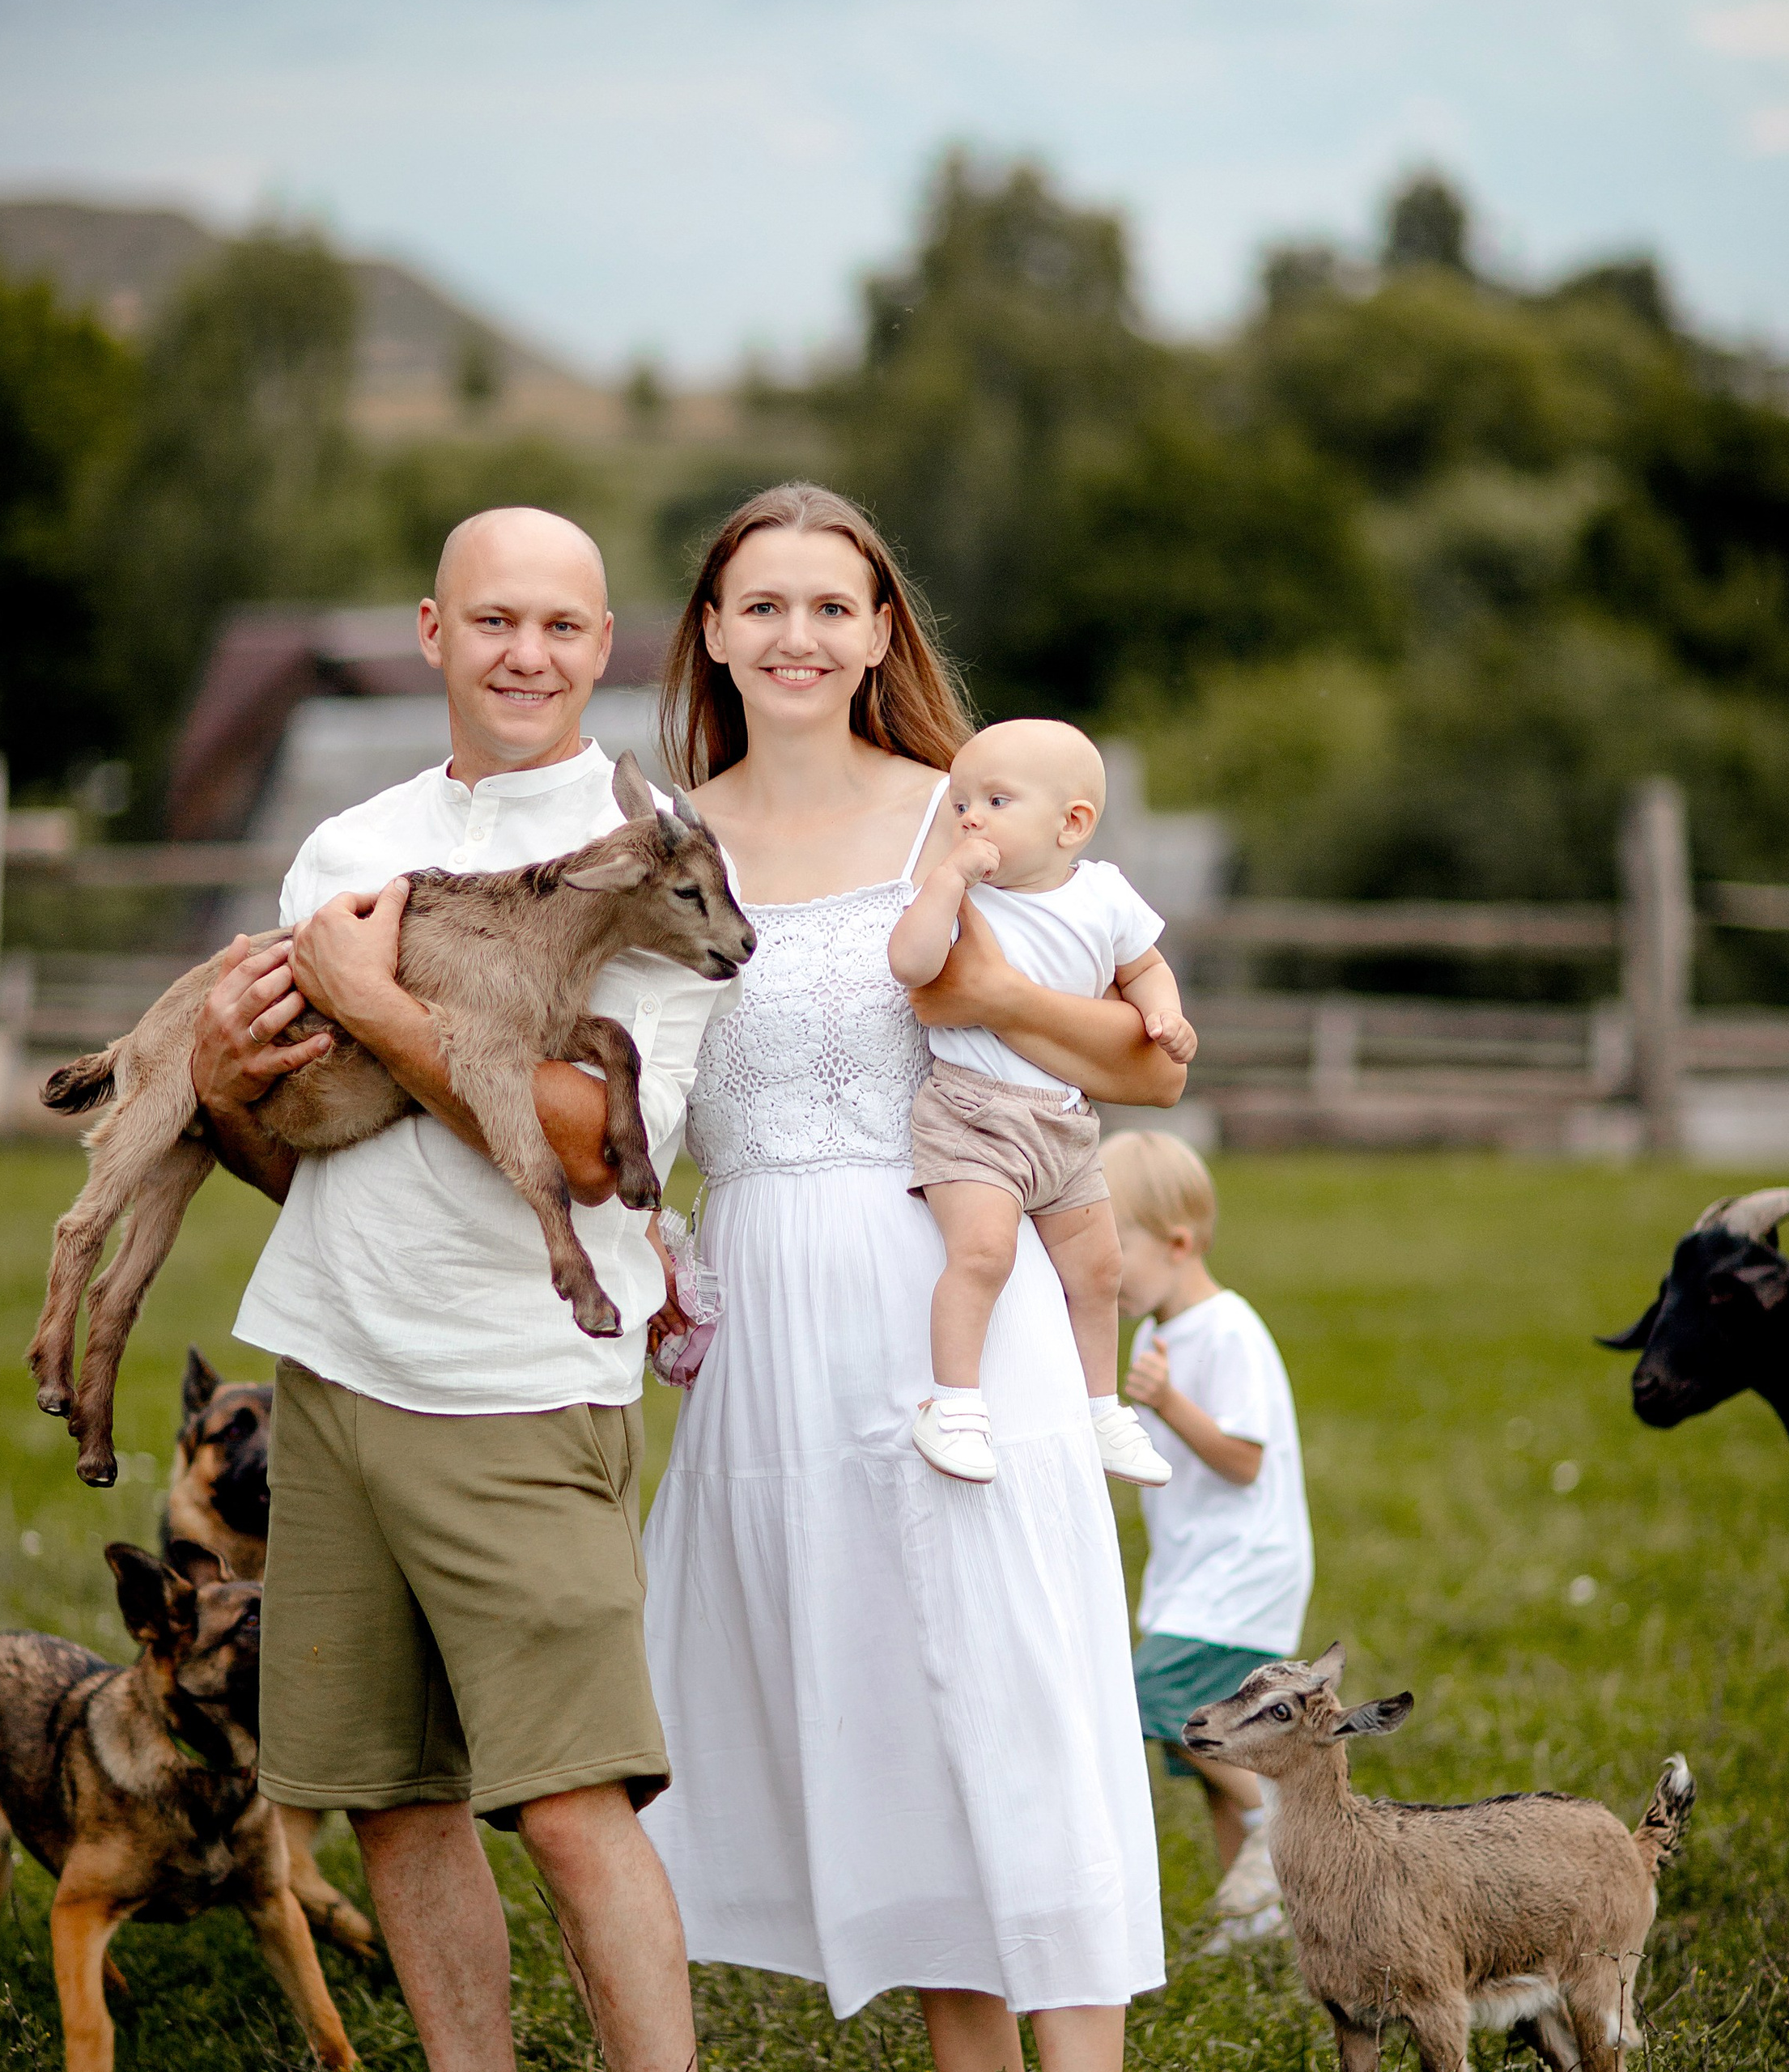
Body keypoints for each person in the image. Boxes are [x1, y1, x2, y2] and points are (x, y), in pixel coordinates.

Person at [640, 482, 1182, 2072]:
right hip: (761, 1310)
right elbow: (634, 1092)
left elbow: (1138, 1073)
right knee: (887, 1713)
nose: (795, 635)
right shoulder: (664, 840)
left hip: (949, 1273)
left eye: (830, 605)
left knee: (1004, 1690)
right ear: (713, 634)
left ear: (880, 630)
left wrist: (1000, 989)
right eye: (761, 605)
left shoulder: (971, 807)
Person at [189, 507, 733, 2072]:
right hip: (332, 1368)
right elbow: (295, 1147)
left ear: (604, 647)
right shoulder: (346, 851)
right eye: (495, 621)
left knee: (571, 1809)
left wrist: (372, 999)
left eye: (564, 627)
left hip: (517, 1384)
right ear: (435, 633)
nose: (528, 654)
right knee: (394, 1798)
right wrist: (227, 1082)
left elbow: (582, 1148)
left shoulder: (658, 861)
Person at [887, 717, 1192, 1488]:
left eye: (995, 800)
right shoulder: (967, 898)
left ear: (1073, 824)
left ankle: (1101, 1408)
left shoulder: (1105, 894)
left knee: (1100, 1268)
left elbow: (1145, 965)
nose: (970, 818)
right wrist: (948, 882)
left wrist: (1164, 1013)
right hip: (973, 1114)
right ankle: (953, 1403)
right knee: (984, 1251)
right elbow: (909, 964)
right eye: (960, 804)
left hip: (1063, 1119)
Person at [1103, 1129, 1314, 1953]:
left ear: (1179, 1241)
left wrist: (1172, 1404)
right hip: (1194, 1570)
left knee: (1156, 1697)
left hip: (1241, 1569)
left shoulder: (1227, 1329)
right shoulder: (1160, 1336)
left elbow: (1242, 1455)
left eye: (1115, 1243)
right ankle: (1252, 1920)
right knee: (1207, 1756)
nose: (1105, 1264)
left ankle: (1276, 1822)